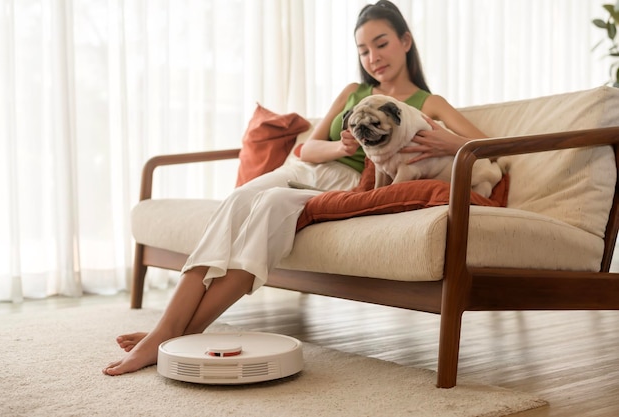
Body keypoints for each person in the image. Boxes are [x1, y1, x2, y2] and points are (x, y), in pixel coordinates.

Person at [102, 0, 488, 376]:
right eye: (364, 50)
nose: (374, 57)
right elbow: (306, 148)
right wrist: (342, 145)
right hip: (307, 167)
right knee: (239, 199)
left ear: (405, 41)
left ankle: (172, 333)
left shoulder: (427, 103)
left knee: (270, 205)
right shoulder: (354, 91)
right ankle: (170, 330)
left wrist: (446, 142)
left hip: (345, 185)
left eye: (382, 43)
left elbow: (484, 145)